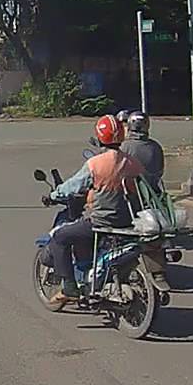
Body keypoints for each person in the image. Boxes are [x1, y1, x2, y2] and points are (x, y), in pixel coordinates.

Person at [42, 114, 149, 305]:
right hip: (129, 223)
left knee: (60, 237)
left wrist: (53, 195)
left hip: (100, 223)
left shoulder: (95, 164)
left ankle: (69, 288)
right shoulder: (133, 163)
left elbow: (73, 186)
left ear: (100, 137)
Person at [119, 111, 165, 191]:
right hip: (151, 192)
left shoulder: (123, 147)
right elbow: (160, 171)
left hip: (128, 192)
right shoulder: (156, 147)